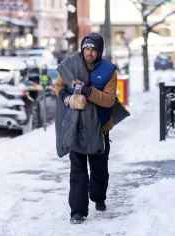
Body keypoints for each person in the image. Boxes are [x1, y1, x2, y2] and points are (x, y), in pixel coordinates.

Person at [54, 33, 117, 224]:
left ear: (99, 51)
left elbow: (109, 100)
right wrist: (67, 98)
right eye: (86, 48)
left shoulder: (108, 70)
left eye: (93, 49)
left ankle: (98, 197)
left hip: (99, 128)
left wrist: (87, 91)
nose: (89, 53)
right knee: (78, 171)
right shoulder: (70, 65)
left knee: (99, 170)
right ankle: (77, 211)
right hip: (75, 125)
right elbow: (59, 86)